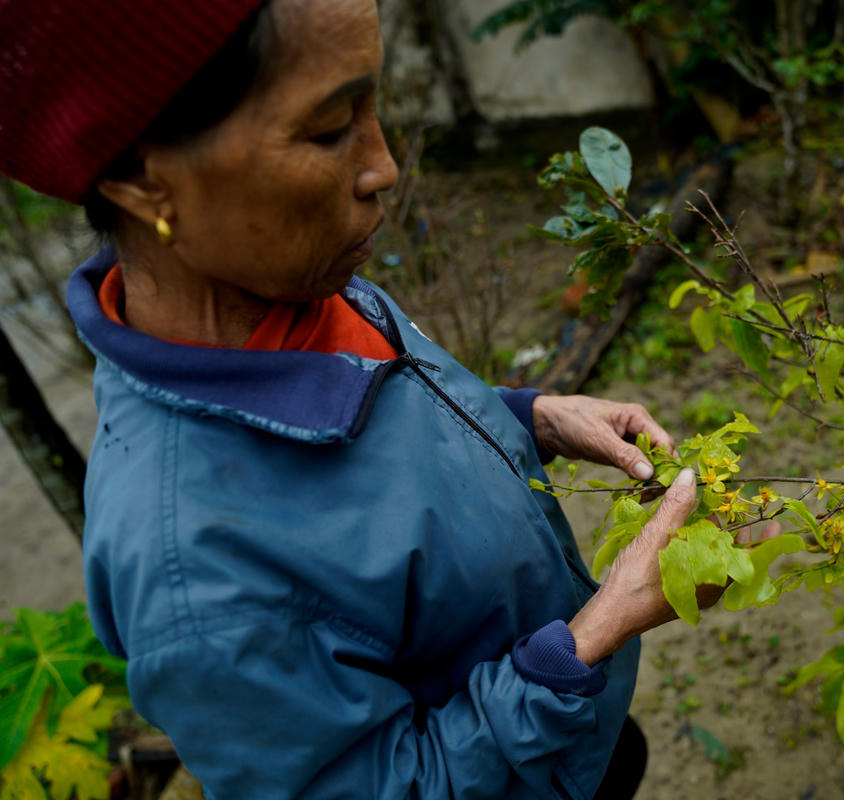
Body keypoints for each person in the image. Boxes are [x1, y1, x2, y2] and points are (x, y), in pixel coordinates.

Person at [0, 1, 779, 796]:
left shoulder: (289, 286)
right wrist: (592, 637)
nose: (384, 166)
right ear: (140, 177)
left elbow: (384, 449)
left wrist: (523, 418)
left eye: (375, 108)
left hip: (569, 744)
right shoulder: (196, 579)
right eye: (331, 128)